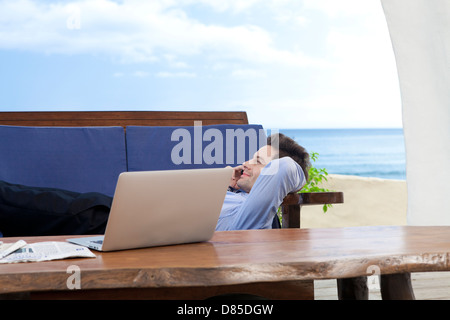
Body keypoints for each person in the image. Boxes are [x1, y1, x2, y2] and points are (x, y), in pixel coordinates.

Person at [0, 133, 310, 236]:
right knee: (38, 200)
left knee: (24, 202)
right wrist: (223, 183)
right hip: (128, 214)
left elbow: (287, 170)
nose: (246, 164)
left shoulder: (258, 219)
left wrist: (269, 172)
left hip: (137, 228)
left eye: (258, 162)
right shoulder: (236, 198)